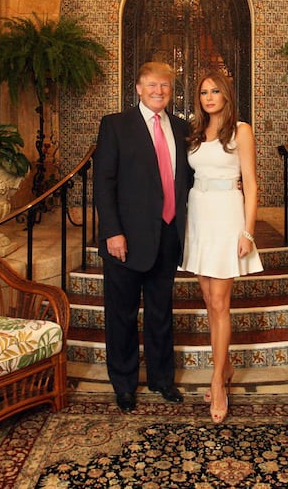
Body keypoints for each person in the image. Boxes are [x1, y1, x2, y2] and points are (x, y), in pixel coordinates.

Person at [93, 61, 192, 413]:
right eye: (151, 84)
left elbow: (189, 181)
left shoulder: (182, 129)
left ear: (171, 89)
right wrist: (112, 232)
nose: (158, 91)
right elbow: (103, 183)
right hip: (126, 239)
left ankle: (163, 380)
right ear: (137, 88)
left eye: (164, 85)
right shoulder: (116, 125)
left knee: (161, 312)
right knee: (121, 314)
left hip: (167, 236)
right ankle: (124, 385)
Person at [181, 70, 263, 424]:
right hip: (199, 214)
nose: (209, 97)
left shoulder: (240, 130)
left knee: (220, 302)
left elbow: (253, 184)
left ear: (227, 95)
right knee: (206, 299)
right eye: (203, 92)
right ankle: (225, 366)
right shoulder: (195, 132)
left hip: (228, 213)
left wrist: (247, 233)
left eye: (215, 91)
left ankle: (217, 382)